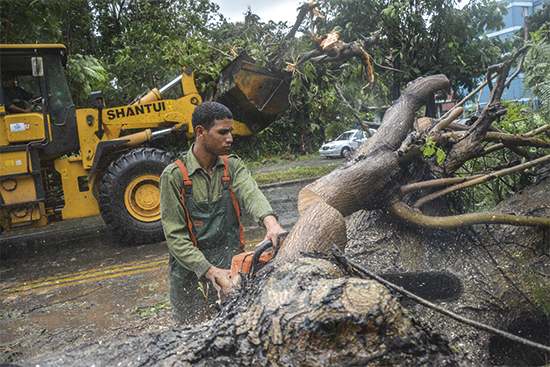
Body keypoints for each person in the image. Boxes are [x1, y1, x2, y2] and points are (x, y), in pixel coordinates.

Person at [159, 101, 286, 325]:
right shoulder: (174, 176)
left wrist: (271, 223)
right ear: (200, 132)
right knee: (191, 339)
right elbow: (176, 239)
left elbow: (251, 194)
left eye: (231, 132)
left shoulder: (232, 166)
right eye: (222, 132)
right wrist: (211, 272)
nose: (230, 138)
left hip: (230, 267)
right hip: (189, 275)